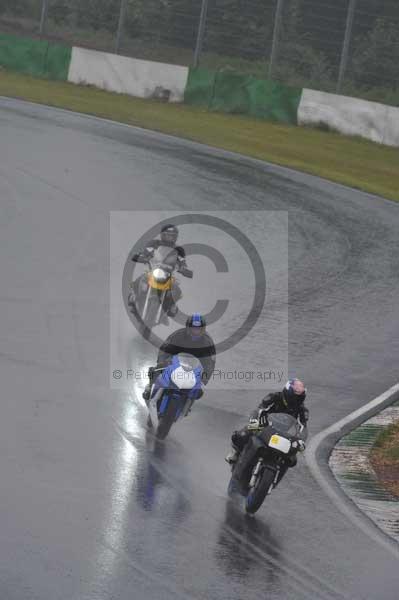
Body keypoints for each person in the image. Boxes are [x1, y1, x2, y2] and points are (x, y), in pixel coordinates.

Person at [225, 379, 309, 485]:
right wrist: (255, 420)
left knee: (292, 458)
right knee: (243, 433)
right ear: (288, 393)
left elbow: (303, 427)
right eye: (295, 397)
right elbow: (259, 410)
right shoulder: (274, 397)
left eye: (299, 398)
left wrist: (300, 440)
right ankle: (235, 452)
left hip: (283, 435)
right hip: (262, 425)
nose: (296, 400)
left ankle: (275, 478)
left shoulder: (302, 410)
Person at [142, 313, 216, 401]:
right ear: (188, 328)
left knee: (198, 391)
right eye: (193, 328)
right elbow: (165, 349)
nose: (196, 331)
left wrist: (204, 380)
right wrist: (162, 362)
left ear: (203, 329)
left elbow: (209, 364)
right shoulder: (178, 335)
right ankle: (149, 388)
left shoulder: (207, 343)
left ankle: (188, 404)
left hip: (193, 368)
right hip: (175, 361)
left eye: (198, 329)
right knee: (155, 371)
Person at [130, 224, 191, 317]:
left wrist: (184, 269)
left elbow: (182, 261)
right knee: (140, 280)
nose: (170, 237)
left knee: (177, 290)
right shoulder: (154, 244)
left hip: (168, 274)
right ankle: (133, 297)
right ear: (162, 234)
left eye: (172, 235)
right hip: (153, 270)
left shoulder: (179, 250)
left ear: (176, 237)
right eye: (167, 235)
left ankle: (171, 306)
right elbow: (145, 252)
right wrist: (142, 257)